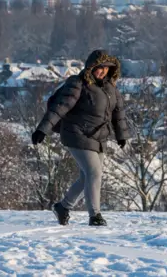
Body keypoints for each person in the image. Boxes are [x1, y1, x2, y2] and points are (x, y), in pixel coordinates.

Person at [31, 49, 131, 226]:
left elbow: (118, 114)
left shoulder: (111, 89)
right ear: (91, 67)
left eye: (107, 69)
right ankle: (95, 216)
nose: (103, 71)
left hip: (98, 137)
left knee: (87, 177)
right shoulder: (78, 83)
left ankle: (63, 207)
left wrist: (121, 135)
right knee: (94, 173)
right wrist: (42, 129)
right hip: (76, 134)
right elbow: (60, 107)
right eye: (100, 68)